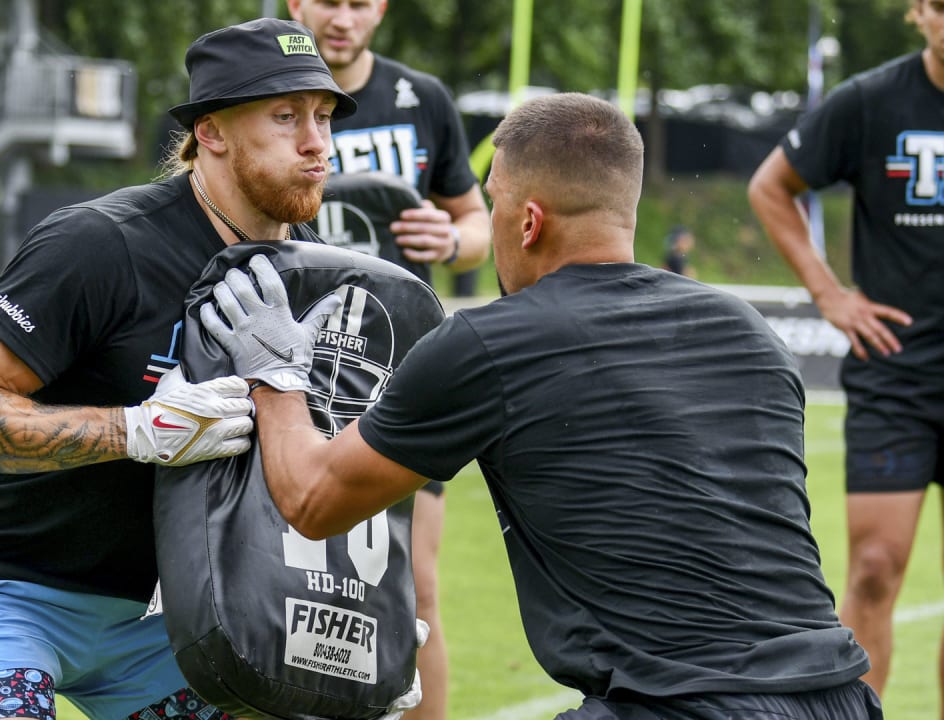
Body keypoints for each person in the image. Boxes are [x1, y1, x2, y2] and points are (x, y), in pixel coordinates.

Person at [200, 92, 882, 720]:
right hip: (842, 698)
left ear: (528, 221)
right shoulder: (748, 331)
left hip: (678, 706)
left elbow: (313, 499)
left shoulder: (491, 343)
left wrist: (275, 372)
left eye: (494, 201)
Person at [0, 19, 417, 720]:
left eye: (322, 116)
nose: (317, 142)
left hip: (162, 617)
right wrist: (139, 432)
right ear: (213, 133)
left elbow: (311, 460)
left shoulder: (316, 273)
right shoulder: (101, 244)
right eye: (285, 116)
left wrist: (364, 623)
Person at [285, 3, 490, 714]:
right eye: (328, 1)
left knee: (412, 585)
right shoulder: (267, 97)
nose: (342, 18)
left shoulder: (422, 98)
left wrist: (452, 238)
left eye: (359, 2)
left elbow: (476, 226)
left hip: (405, 377)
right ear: (295, 5)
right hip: (290, 376)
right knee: (282, 583)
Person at [747, 0, 943, 707]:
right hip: (897, 377)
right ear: (917, 12)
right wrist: (831, 295)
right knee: (872, 568)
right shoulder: (869, 100)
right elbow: (772, 186)